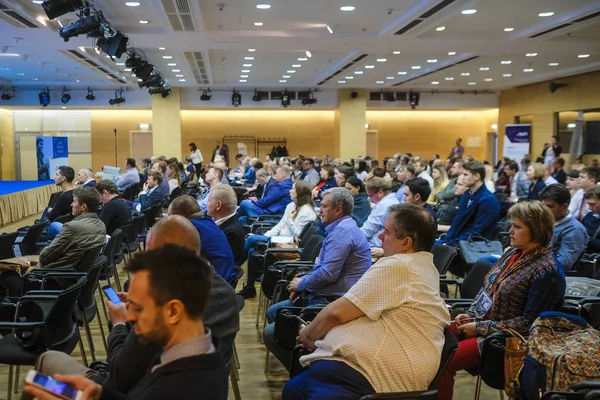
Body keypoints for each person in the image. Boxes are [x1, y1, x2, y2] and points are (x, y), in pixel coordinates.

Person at [284, 204, 449, 400]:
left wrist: (308, 334)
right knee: (293, 390)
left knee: (294, 387)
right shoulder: (425, 266)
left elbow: (336, 313)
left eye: (386, 233)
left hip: (374, 374)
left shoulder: (399, 266)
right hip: (367, 367)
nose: (380, 237)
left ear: (405, 243)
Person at [24, 244, 229, 400]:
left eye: (138, 308)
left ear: (174, 311)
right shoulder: (196, 348)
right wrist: (100, 394)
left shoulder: (186, 387)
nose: (129, 317)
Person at [439, 201, 566, 400]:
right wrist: (471, 314)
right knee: (431, 343)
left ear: (536, 230)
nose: (510, 231)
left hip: (507, 341)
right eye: (511, 225)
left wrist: (480, 327)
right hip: (484, 327)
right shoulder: (514, 254)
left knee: (444, 361)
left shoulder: (547, 270)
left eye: (517, 226)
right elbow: (487, 290)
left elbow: (530, 325)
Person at [263, 188, 372, 367]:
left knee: (271, 331)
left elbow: (328, 274)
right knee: (274, 312)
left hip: (335, 301)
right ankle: (299, 356)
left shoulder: (342, 233)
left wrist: (302, 285)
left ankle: (304, 365)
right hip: (327, 293)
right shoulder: (341, 228)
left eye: (323, 206)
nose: (319, 210)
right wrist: (303, 284)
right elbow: (323, 268)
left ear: (338, 209)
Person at [238, 180, 318, 298]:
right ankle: (250, 287)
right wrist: (267, 235)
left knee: (250, 240)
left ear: (300, 192)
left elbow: (298, 236)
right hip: (278, 238)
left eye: (293, 189)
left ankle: (235, 266)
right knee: (251, 252)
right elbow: (280, 225)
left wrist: (290, 220)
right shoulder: (291, 205)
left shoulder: (307, 212)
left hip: (289, 243)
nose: (290, 191)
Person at [168, 195, 236, 283]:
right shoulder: (207, 221)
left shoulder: (191, 228)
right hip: (224, 279)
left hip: (215, 285)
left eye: (170, 217)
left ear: (180, 217)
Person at [435, 161, 500, 247]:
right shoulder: (467, 194)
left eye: (465, 175)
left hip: (474, 245)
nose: (462, 177)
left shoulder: (488, 200)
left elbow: (477, 231)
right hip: (459, 240)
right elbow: (457, 221)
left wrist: (451, 244)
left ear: (476, 176)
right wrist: (447, 240)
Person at [40, 187, 106, 269]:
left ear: (83, 207)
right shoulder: (101, 225)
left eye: (74, 201)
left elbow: (44, 257)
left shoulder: (72, 227)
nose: (71, 204)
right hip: (78, 276)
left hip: (56, 275)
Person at [539, 184, 588, 271]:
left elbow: (563, 263)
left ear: (564, 206)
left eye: (549, 207)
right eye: (543, 206)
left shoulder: (574, 230)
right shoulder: (546, 220)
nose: (544, 210)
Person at [206, 184, 245, 266]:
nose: (207, 204)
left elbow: (219, 265)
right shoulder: (213, 220)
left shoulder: (232, 234)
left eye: (209, 201)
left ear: (218, 205)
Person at [360, 177, 400, 247]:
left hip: (374, 246)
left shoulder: (384, 204)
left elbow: (368, 230)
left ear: (380, 192)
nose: (369, 199)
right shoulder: (393, 200)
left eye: (370, 196)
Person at [582, 186, 600, 253]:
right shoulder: (589, 215)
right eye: (589, 204)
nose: (590, 208)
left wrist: (587, 239)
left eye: (593, 204)